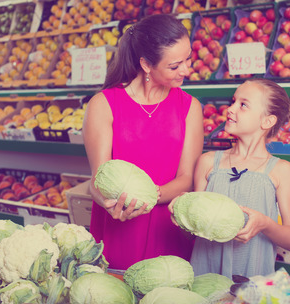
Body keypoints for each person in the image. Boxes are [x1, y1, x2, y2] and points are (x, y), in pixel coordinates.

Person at [82, 14, 204, 270]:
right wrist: (107, 201)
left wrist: (147, 197)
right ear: (147, 65)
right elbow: (97, 178)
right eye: (175, 66)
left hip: (169, 229)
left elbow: (187, 178)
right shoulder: (103, 105)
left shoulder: (189, 107)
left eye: (188, 59)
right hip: (119, 227)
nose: (186, 70)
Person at [169, 79, 290, 278]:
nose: (230, 109)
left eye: (243, 105)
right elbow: (193, 233)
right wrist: (181, 216)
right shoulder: (208, 162)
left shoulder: (281, 170)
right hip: (205, 277)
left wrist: (265, 224)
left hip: (251, 284)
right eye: (233, 102)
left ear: (267, 121)